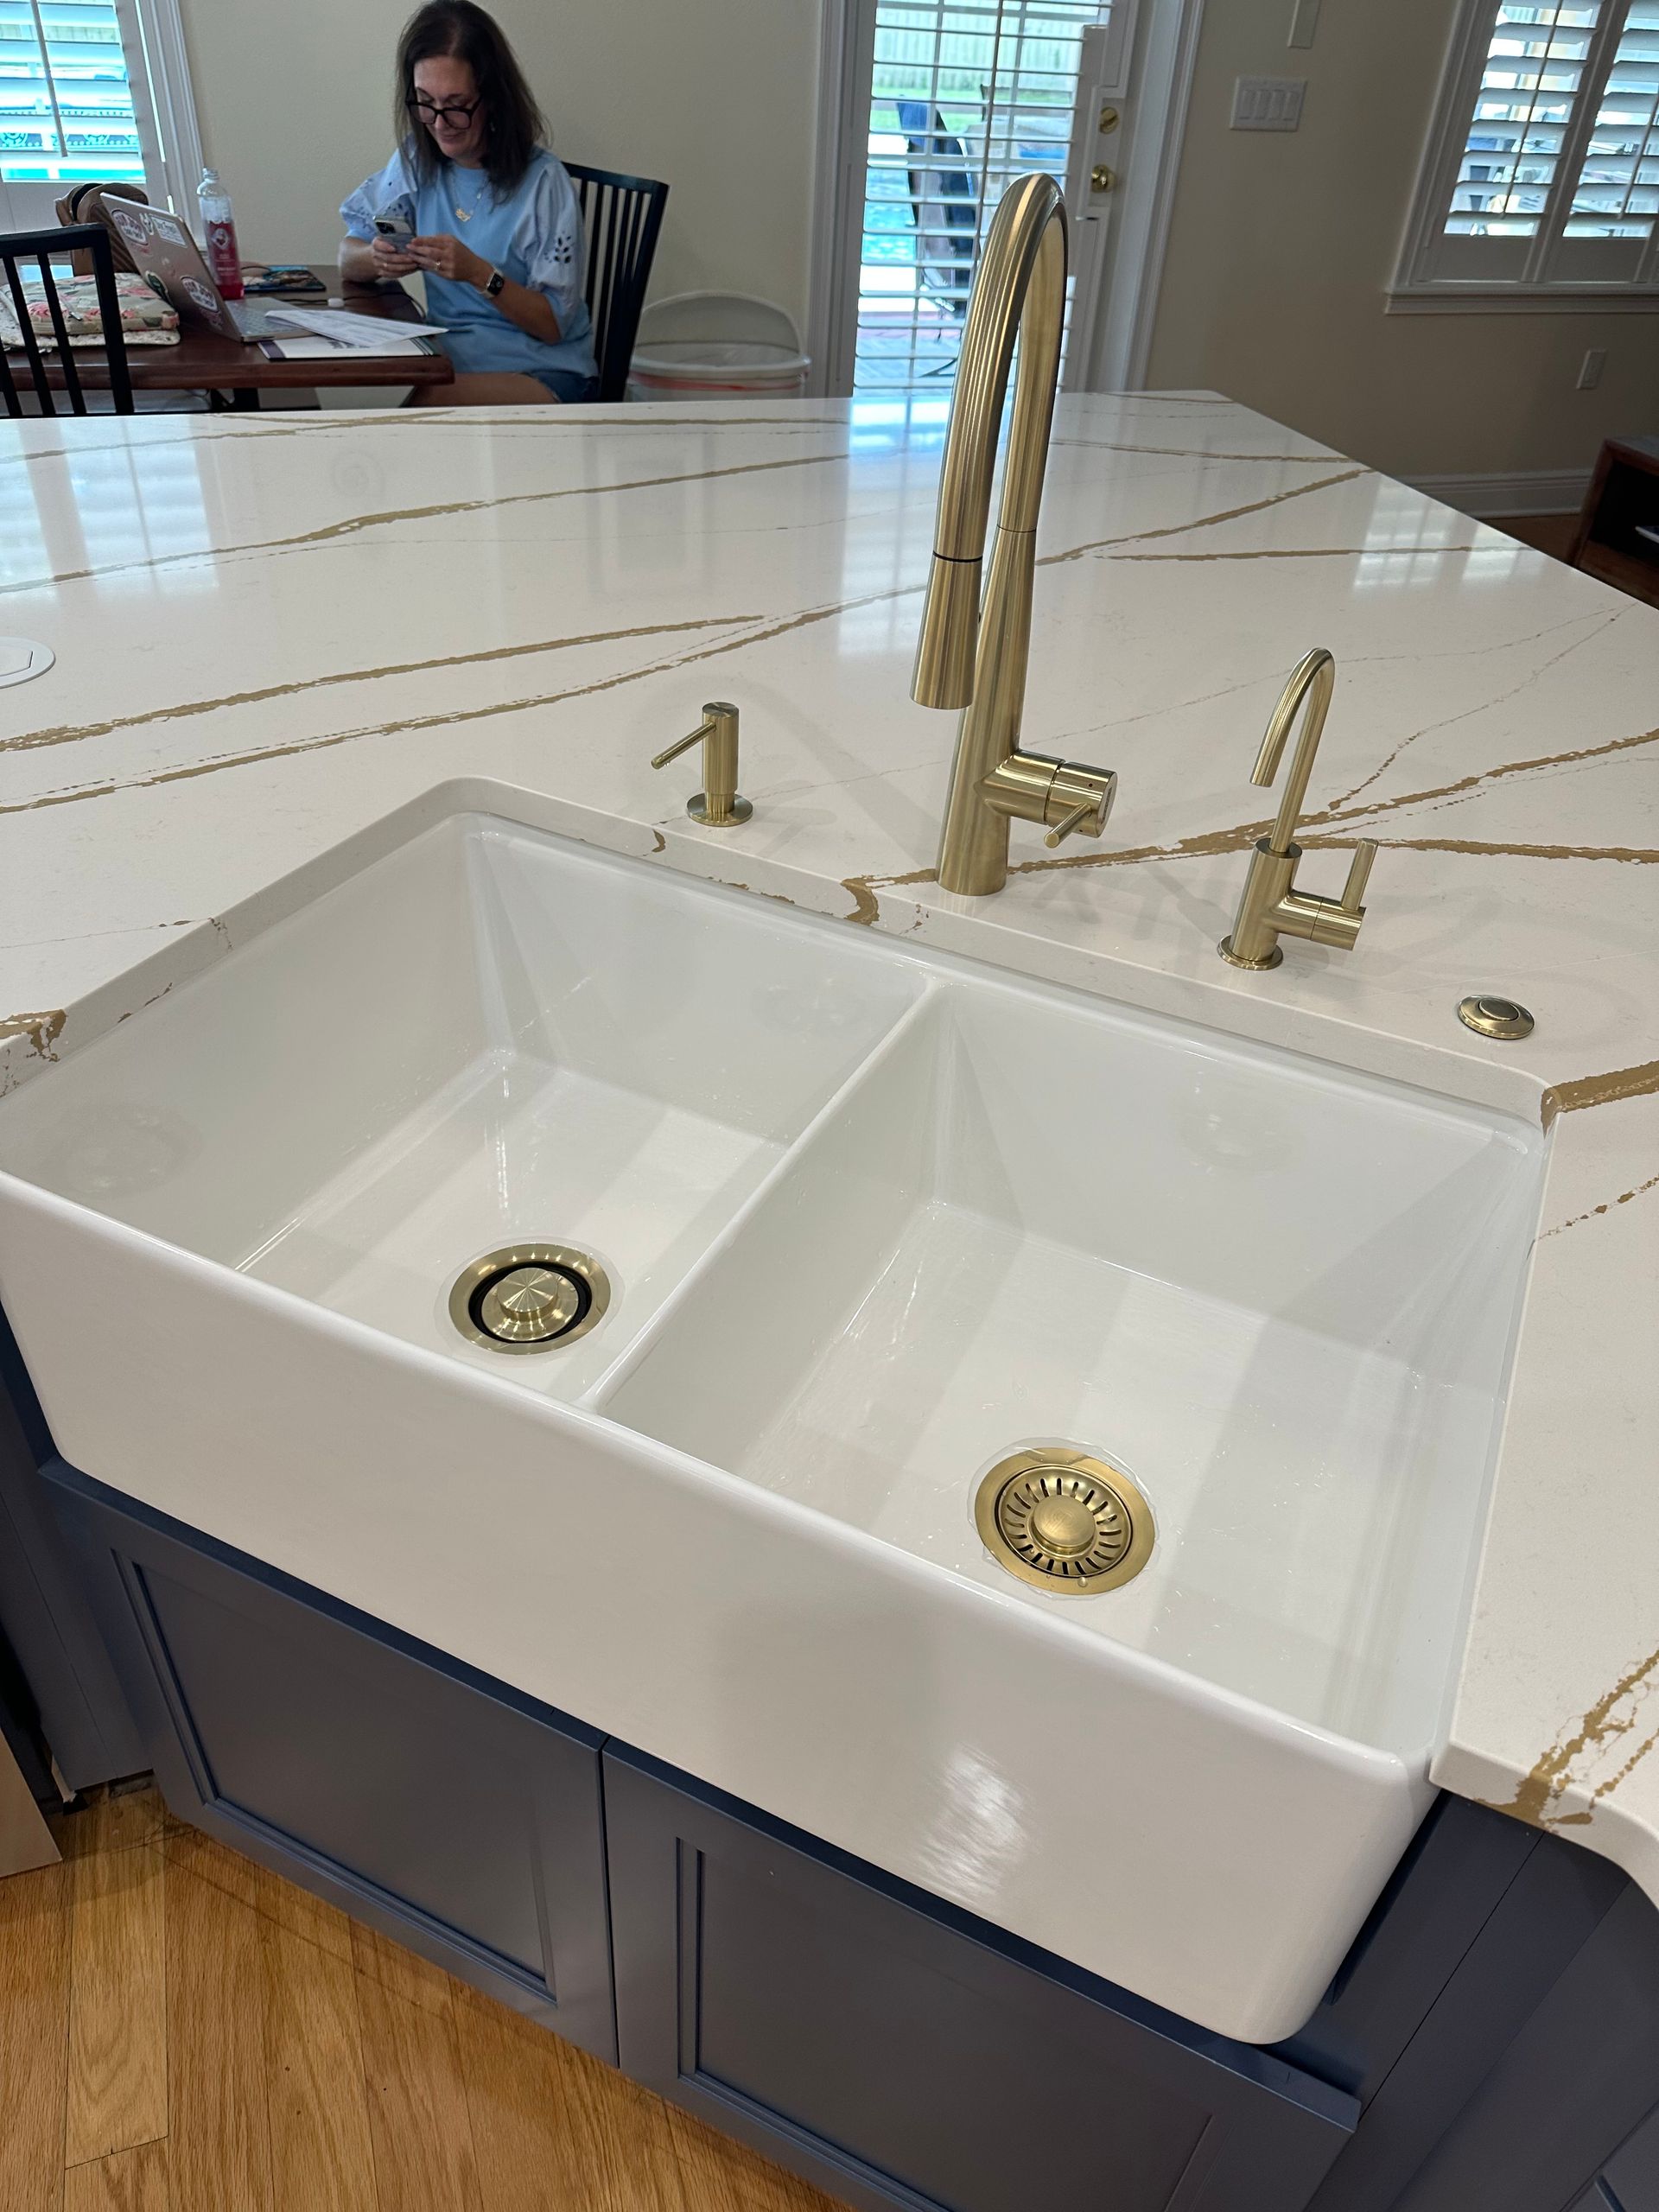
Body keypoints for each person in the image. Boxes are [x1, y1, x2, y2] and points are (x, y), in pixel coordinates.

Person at [340, 0, 599, 405]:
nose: (440, 123)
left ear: (492, 98)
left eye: (457, 106)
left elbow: (552, 326)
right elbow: (346, 254)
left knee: (415, 418)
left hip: (543, 370)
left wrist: (480, 274)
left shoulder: (543, 182)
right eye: (425, 102)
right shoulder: (417, 162)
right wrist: (377, 259)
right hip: (449, 363)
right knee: (410, 414)